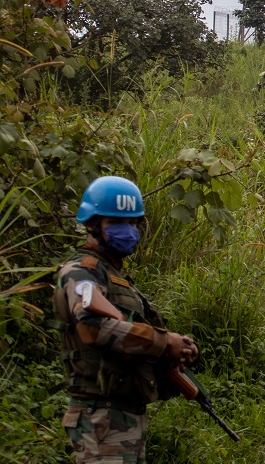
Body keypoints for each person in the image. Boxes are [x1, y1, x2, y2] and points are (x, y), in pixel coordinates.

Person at [52, 176, 201, 464]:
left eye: (134, 223)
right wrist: (162, 342)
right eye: (118, 223)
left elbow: (128, 332)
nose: (129, 231)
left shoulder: (115, 277)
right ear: (93, 224)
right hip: (100, 415)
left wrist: (176, 348)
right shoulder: (80, 272)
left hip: (121, 414)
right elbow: (92, 328)